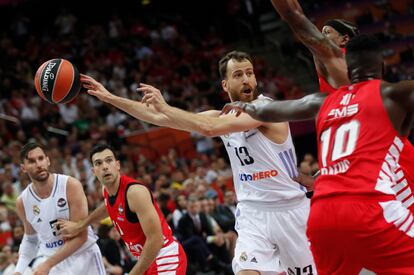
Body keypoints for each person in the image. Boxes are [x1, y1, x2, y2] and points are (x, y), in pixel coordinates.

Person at [79, 50, 316, 275]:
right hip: (252, 213)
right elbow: (155, 116)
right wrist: (110, 98)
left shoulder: (265, 108)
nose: (247, 79)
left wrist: (166, 107)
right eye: (238, 75)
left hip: (289, 209)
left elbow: (208, 128)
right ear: (225, 85)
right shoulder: (223, 115)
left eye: (250, 73)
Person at [222, 34, 414, 274]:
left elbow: (276, 110)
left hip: (322, 213)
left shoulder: (324, 101)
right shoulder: (393, 95)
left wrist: (245, 107)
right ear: (382, 66)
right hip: (369, 207)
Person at [271, 0, 414, 209]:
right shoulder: (351, 70)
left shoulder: (339, 60)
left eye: (326, 32)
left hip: (389, 157)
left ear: (344, 39)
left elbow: (296, 17)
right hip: (374, 154)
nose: (320, 37)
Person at [56, 144, 187, 275]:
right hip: (146, 259)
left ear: (117, 165)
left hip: (164, 257)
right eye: (98, 163)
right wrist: (80, 225)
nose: (105, 166)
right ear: (94, 171)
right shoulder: (106, 190)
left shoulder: (135, 193)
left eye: (109, 160)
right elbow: (108, 206)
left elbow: (156, 240)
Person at [13, 142, 105, 275]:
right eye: (32, 161)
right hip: (53, 262)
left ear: (48, 160)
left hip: (83, 255)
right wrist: (18, 271)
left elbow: (81, 236)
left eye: (41, 158)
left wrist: (48, 264)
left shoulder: (70, 185)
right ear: (23, 168)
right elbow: (31, 240)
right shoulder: (22, 201)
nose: (39, 164)